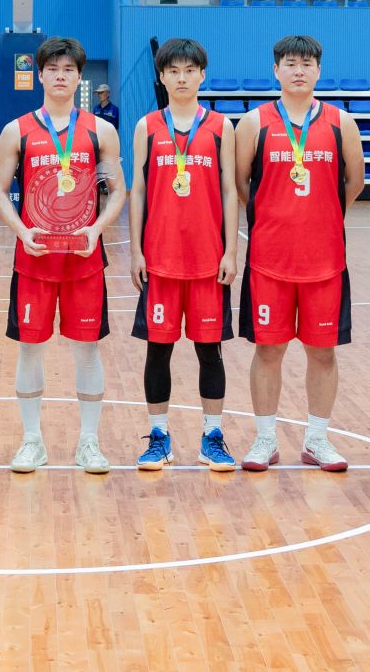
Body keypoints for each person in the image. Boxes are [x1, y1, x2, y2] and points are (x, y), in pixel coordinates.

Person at [0, 36, 126, 475]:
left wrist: (97, 229)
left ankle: (89, 442)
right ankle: (32, 441)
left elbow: (117, 190)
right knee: (30, 351)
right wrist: (21, 230)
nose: (61, 76)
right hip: (34, 259)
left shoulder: (101, 131)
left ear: (79, 76)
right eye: (53, 69)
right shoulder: (16, 131)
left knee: (87, 352)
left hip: (84, 259)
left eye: (69, 69)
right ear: (40, 75)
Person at [235, 34, 364, 473]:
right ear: (276, 70)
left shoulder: (341, 122)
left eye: (307, 64)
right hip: (268, 260)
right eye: (290, 63)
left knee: (323, 353)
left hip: (325, 260)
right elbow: (241, 184)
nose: (298, 71)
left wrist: (322, 216)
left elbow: (354, 183)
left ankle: (317, 439)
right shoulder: (253, 122)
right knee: (268, 351)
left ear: (319, 71)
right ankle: (265, 439)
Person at [128, 37, 240, 472]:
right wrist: (136, 250)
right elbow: (138, 191)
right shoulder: (147, 126)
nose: (181, 78)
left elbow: (229, 191)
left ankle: (213, 436)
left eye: (189, 71)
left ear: (201, 75)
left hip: (208, 260)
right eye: (173, 71)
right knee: (158, 351)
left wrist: (231, 251)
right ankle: (159, 436)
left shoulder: (221, 127)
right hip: (160, 259)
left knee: (210, 351)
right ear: (161, 76)